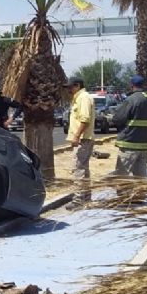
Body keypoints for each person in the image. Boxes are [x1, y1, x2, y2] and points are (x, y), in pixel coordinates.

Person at [111, 75, 147, 177]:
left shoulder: (132, 99)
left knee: (121, 176)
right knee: (140, 177)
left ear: (131, 85)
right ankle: (140, 193)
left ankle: (122, 193)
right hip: (144, 144)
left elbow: (118, 119)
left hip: (129, 143)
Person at [64, 77, 95, 210]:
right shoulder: (79, 98)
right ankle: (86, 198)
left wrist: (76, 136)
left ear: (77, 85)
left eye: (70, 87)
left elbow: (85, 119)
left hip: (83, 140)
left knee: (78, 170)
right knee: (83, 170)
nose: (68, 90)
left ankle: (78, 201)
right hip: (83, 139)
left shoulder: (83, 98)